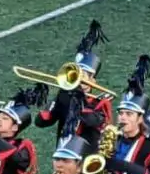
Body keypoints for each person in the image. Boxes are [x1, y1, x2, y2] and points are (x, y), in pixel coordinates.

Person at [35, 21, 112, 152]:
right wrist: (54, 104)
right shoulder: (65, 96)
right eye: (78, 74)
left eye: (84, 75)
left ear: (93, 80)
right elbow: (41, 121)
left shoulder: (101, 101)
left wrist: (76, 101)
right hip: (63, 155)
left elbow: (92, 121)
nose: (80, 78)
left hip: (87, 159)